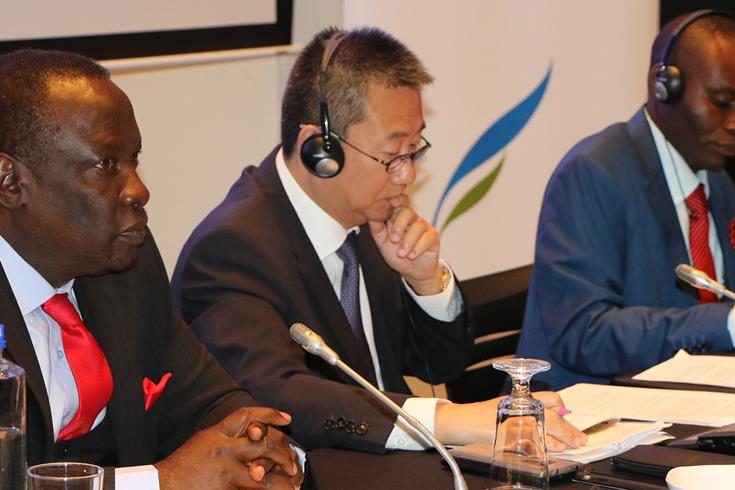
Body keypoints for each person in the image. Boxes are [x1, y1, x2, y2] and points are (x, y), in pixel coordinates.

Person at [172, 27, 586, 453]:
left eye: (414, 149)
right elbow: (276, 394)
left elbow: (441, 363)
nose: (407, 175)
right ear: (319, 150)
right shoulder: (231, 249)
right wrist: (446, 420)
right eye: (392, 156)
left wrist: (427, 285)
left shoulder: (370, 219)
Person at [0, 49, 302, 489]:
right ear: (10, 182)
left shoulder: (129, 266)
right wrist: (160, 481)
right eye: (105, 165)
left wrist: (256, 452)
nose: (139, 190)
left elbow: (208, 401)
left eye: (134, 161)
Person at [517, 10, 735, 390]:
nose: (734, 122)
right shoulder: (593, 173)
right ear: (663, 86)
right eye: (721, 101)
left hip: (691, 401)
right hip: (584, 411)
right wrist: (724, 323)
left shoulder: (719, 182)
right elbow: (583, 333)